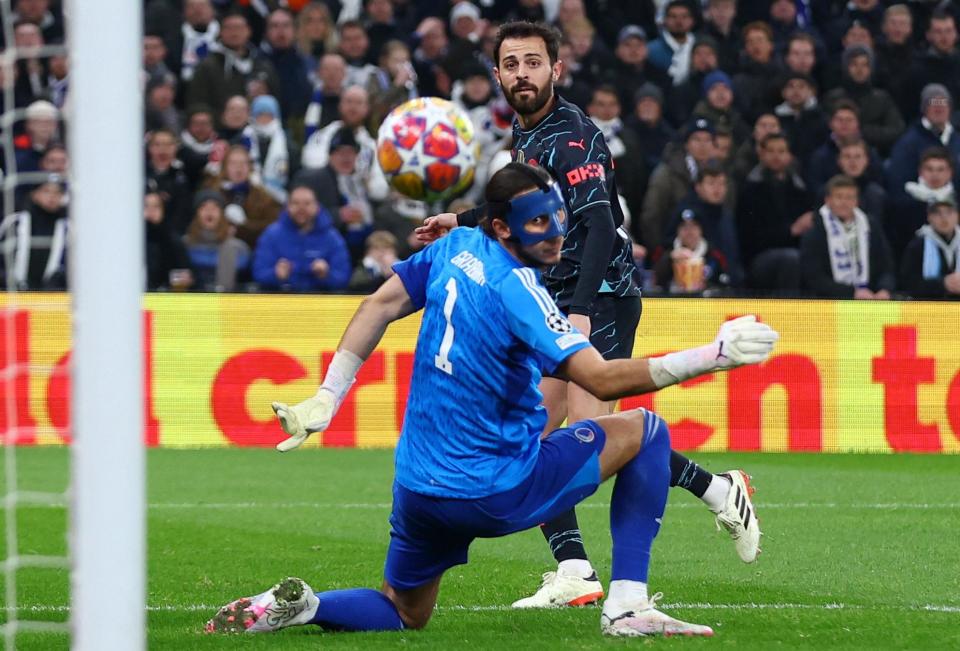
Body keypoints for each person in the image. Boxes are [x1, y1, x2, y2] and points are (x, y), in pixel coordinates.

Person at [206, 162, 779, 637]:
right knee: (645, 432)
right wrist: (713, 355)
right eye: (538, 225)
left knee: (405, 611)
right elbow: (601, 380)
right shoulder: (520, 290)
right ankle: (627, 606)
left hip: (418, 485)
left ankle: (307, 605)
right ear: (503, 230)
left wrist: (330, 394)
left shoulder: (453, 247)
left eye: (557, 217)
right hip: (494, 491)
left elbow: (377, 306)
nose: (556, 233)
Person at [416, 22, 763, 610]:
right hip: (552, 297)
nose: (521, 73)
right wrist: (458, 220)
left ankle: (712, 492)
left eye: (532, 62)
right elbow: (513, 210)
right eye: (510, 64)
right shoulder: (527, 138)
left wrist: (578, 313)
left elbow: (600, 223)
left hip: (596, 296)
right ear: (497, 74)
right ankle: (578, 566)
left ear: (557, 69)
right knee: (538, 438)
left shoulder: (572, 136)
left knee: (588, 435)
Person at [800, 174, 895, 299]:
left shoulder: (870, 226)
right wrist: (851, 293)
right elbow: (813, 277)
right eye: (839, 197)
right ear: (828, 200)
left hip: (870, 299)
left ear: (856, 201)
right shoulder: (816, 231)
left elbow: (886, 266)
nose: (844, 202)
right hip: (829, 303)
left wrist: (884, 289)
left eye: (849, 197)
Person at [252, 184, 351, 292]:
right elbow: (259, 273)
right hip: (282, 300)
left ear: (317, 206)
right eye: (295, 203)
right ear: (287, 206)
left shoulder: (332, 237)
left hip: (320, 301)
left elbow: (343, 277)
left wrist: (326, 275)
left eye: (307, 203)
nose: (301, 208)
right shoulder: (271, 235)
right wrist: (275, 274)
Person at [183, 189, 251, 292]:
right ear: (196, 213)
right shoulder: (185, 245)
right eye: (204, 207)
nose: (209, 212)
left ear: (222, 214)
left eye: (215, 208)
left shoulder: (239, 248)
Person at [899, 199, 960, 299]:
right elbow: (908, 284)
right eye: (937, 213)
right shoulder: (917, 245)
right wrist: (942, 284)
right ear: (929, 217)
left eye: (949, 212)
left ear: (957, 216)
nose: (944, 218)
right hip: (928, 308)